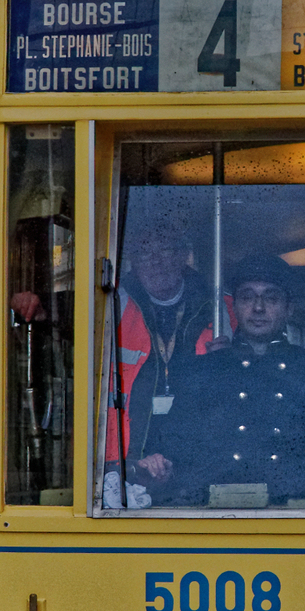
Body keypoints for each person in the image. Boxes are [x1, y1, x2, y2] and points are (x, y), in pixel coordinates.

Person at [147, 257, 305, 506]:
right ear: (234, 306)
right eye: (247, 297)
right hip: (218, 511)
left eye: (271, 298)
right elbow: (173, 449)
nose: (258, 307)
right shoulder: (203, 371)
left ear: (289, 309)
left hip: (293, 511)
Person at [101, 213, 232, 509]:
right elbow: (60, 319)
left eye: (166, 250)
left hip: (201, 458)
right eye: (145, 253)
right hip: (127, 462)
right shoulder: (111, 304)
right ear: (132, 261)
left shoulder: (222, 307)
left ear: (184, 256)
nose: (156, 261)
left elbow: (259, 370)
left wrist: (232, 359)